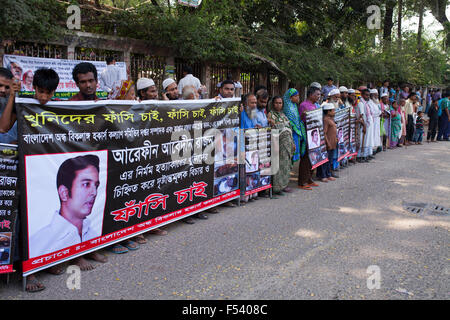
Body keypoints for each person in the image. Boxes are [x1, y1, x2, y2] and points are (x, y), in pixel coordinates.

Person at [67, 63, 107, 269]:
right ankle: (76, 255)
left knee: (95, 209)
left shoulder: (103, 104)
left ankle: (92, 249)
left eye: (91, 80)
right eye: (83, 82)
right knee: (75, 212)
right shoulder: (70, 105)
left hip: (97, 163)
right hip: (77, 166)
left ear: (96, 81)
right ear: (77, 84)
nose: (88, 85)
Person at [267, 96, 295, 195]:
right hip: (278, 143)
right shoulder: (270, 114)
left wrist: (292, 142)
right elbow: (272, 129)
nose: (278, 105)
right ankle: (277, 187)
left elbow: (289, 128)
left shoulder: (283, 115)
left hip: (287, 144)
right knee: (278, 164)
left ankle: (284, 185)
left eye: (280, 103)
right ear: (272, 103)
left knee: (286, 165)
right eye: (276, 103)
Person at [298, 86, 321, 190]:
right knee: (306, 158)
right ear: (311, 94)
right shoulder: (303, 105)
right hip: (307, 134)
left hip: (314, 134)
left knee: (313, 157)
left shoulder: (315, 105)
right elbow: (302, 120)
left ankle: (309, 178)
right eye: (317, 94)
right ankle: (302, 181)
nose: (318, 97)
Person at [283, 88, 306, 164]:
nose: (298, 97)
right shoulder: (288, 108)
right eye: (295, 96)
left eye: (298, 96)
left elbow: (297, 119)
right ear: (290, 97)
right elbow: (289, 121)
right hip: (291, 133)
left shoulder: (294, 106)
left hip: (296, 132)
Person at [316, 103, 337, 182]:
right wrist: (327, 143)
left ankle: (328, 174)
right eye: (333, 110)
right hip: (328, 143)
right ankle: (322, 175)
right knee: (325, 160)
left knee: (329, 160)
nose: (334, 112)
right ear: (328, 111)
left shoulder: (331, 119)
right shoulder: (326, 120)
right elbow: (324, 132)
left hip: (333, 143)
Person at [0, 68, 19, 144]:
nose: (3, 90)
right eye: (0, 85)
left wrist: (12, 95)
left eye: (7, 87)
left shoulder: (14, 103)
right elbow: (2, 129)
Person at [357, 89, 374, 162]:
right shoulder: (361, 103)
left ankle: (366, 154)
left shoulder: (367, 103)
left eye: (369, 95)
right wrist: (364, 125)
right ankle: (360, 156)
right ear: (362, 95)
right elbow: (361, 115)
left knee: (368, 140)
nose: (368, 96)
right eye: (366, 95)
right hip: (363, 124)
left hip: (368, 124)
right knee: (362, 140)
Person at [369, 89, 382, 154]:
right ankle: (372, 149)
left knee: (376, 134)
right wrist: (379, 112)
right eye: (375, 95)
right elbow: (372, 113)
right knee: (373, 135)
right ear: (372, 95)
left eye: (377, 95)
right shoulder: (370, 103)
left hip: (377, 120)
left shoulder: (376, 102)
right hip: (373, 121)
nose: (377, 96)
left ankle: (376, 147)